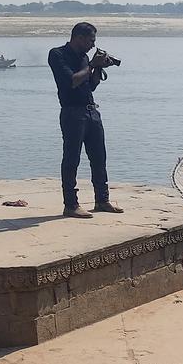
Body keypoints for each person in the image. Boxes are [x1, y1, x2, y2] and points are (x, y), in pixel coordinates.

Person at [48, 22, 123, 218]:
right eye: (91, 41)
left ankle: (102, 200)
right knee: (72, 159)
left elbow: (91, 86)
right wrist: (92, 64)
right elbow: (71, 81)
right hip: (72, 113)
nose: (92, 45)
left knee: (99, 158)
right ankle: (71, 205)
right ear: (79, 37)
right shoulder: (57, 54)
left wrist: (97, 68)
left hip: (91, 112)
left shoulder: (84, 58)